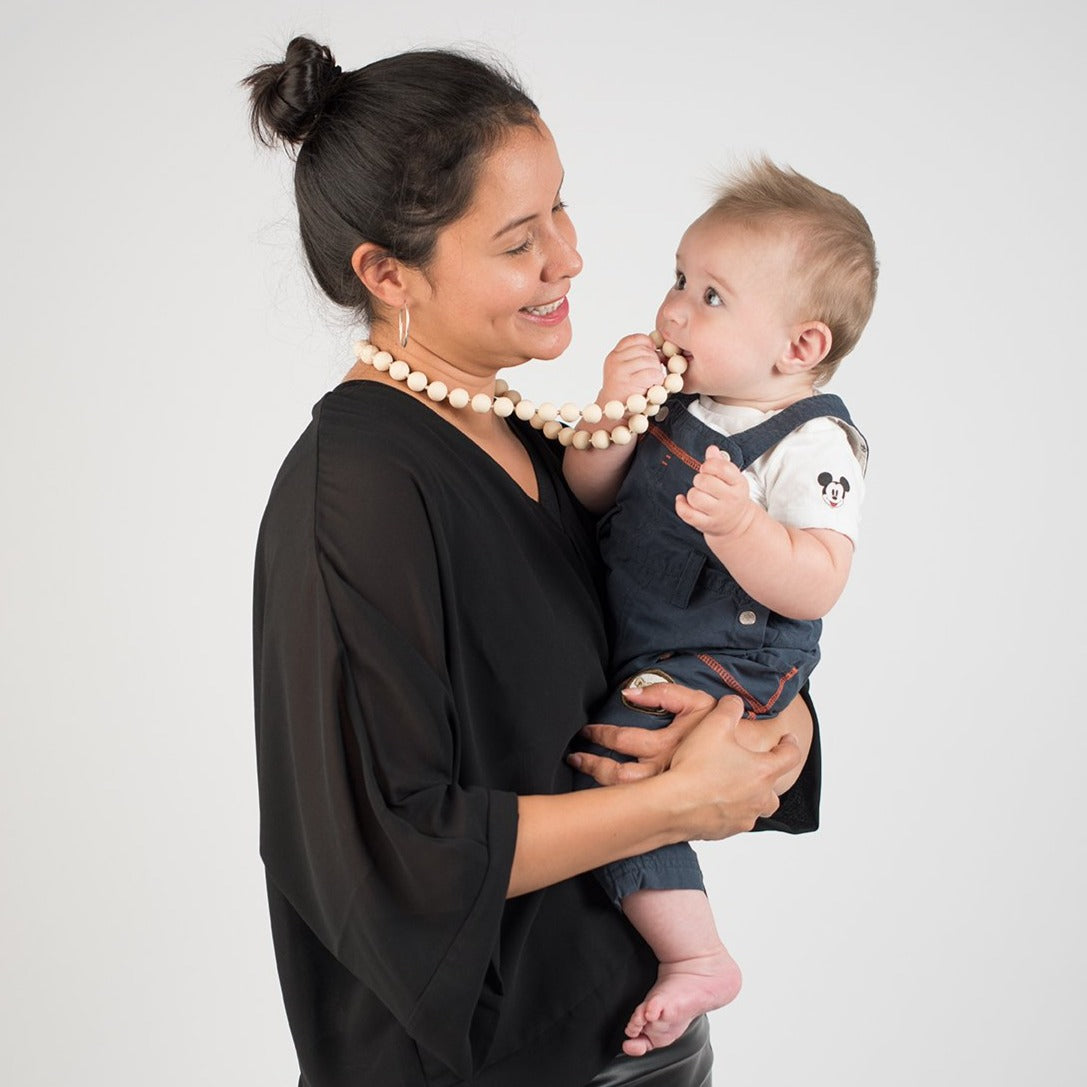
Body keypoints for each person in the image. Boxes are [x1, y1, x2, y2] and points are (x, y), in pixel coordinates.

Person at [246, 36, 812, 1087]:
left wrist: (773, 726)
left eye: (561, 208)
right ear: (385, 272)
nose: (569, 257)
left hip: (642, 1040)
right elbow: (387, 850)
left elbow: (698, 630)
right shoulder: (356, 492)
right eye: (518, 239)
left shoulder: (549, 441)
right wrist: (675, 803)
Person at [563, 160, 876, 1056]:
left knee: (617, 769)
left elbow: (818, 579)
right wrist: (612, 418)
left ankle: (696, 953)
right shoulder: (679, 401)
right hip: (651, 633)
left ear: (798, 347)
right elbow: (589, 494)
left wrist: (743, 528)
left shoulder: (813, 443)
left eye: (710, 297)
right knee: (619, 762)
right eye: (677, 279)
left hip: (733, 653)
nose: (673, 313)